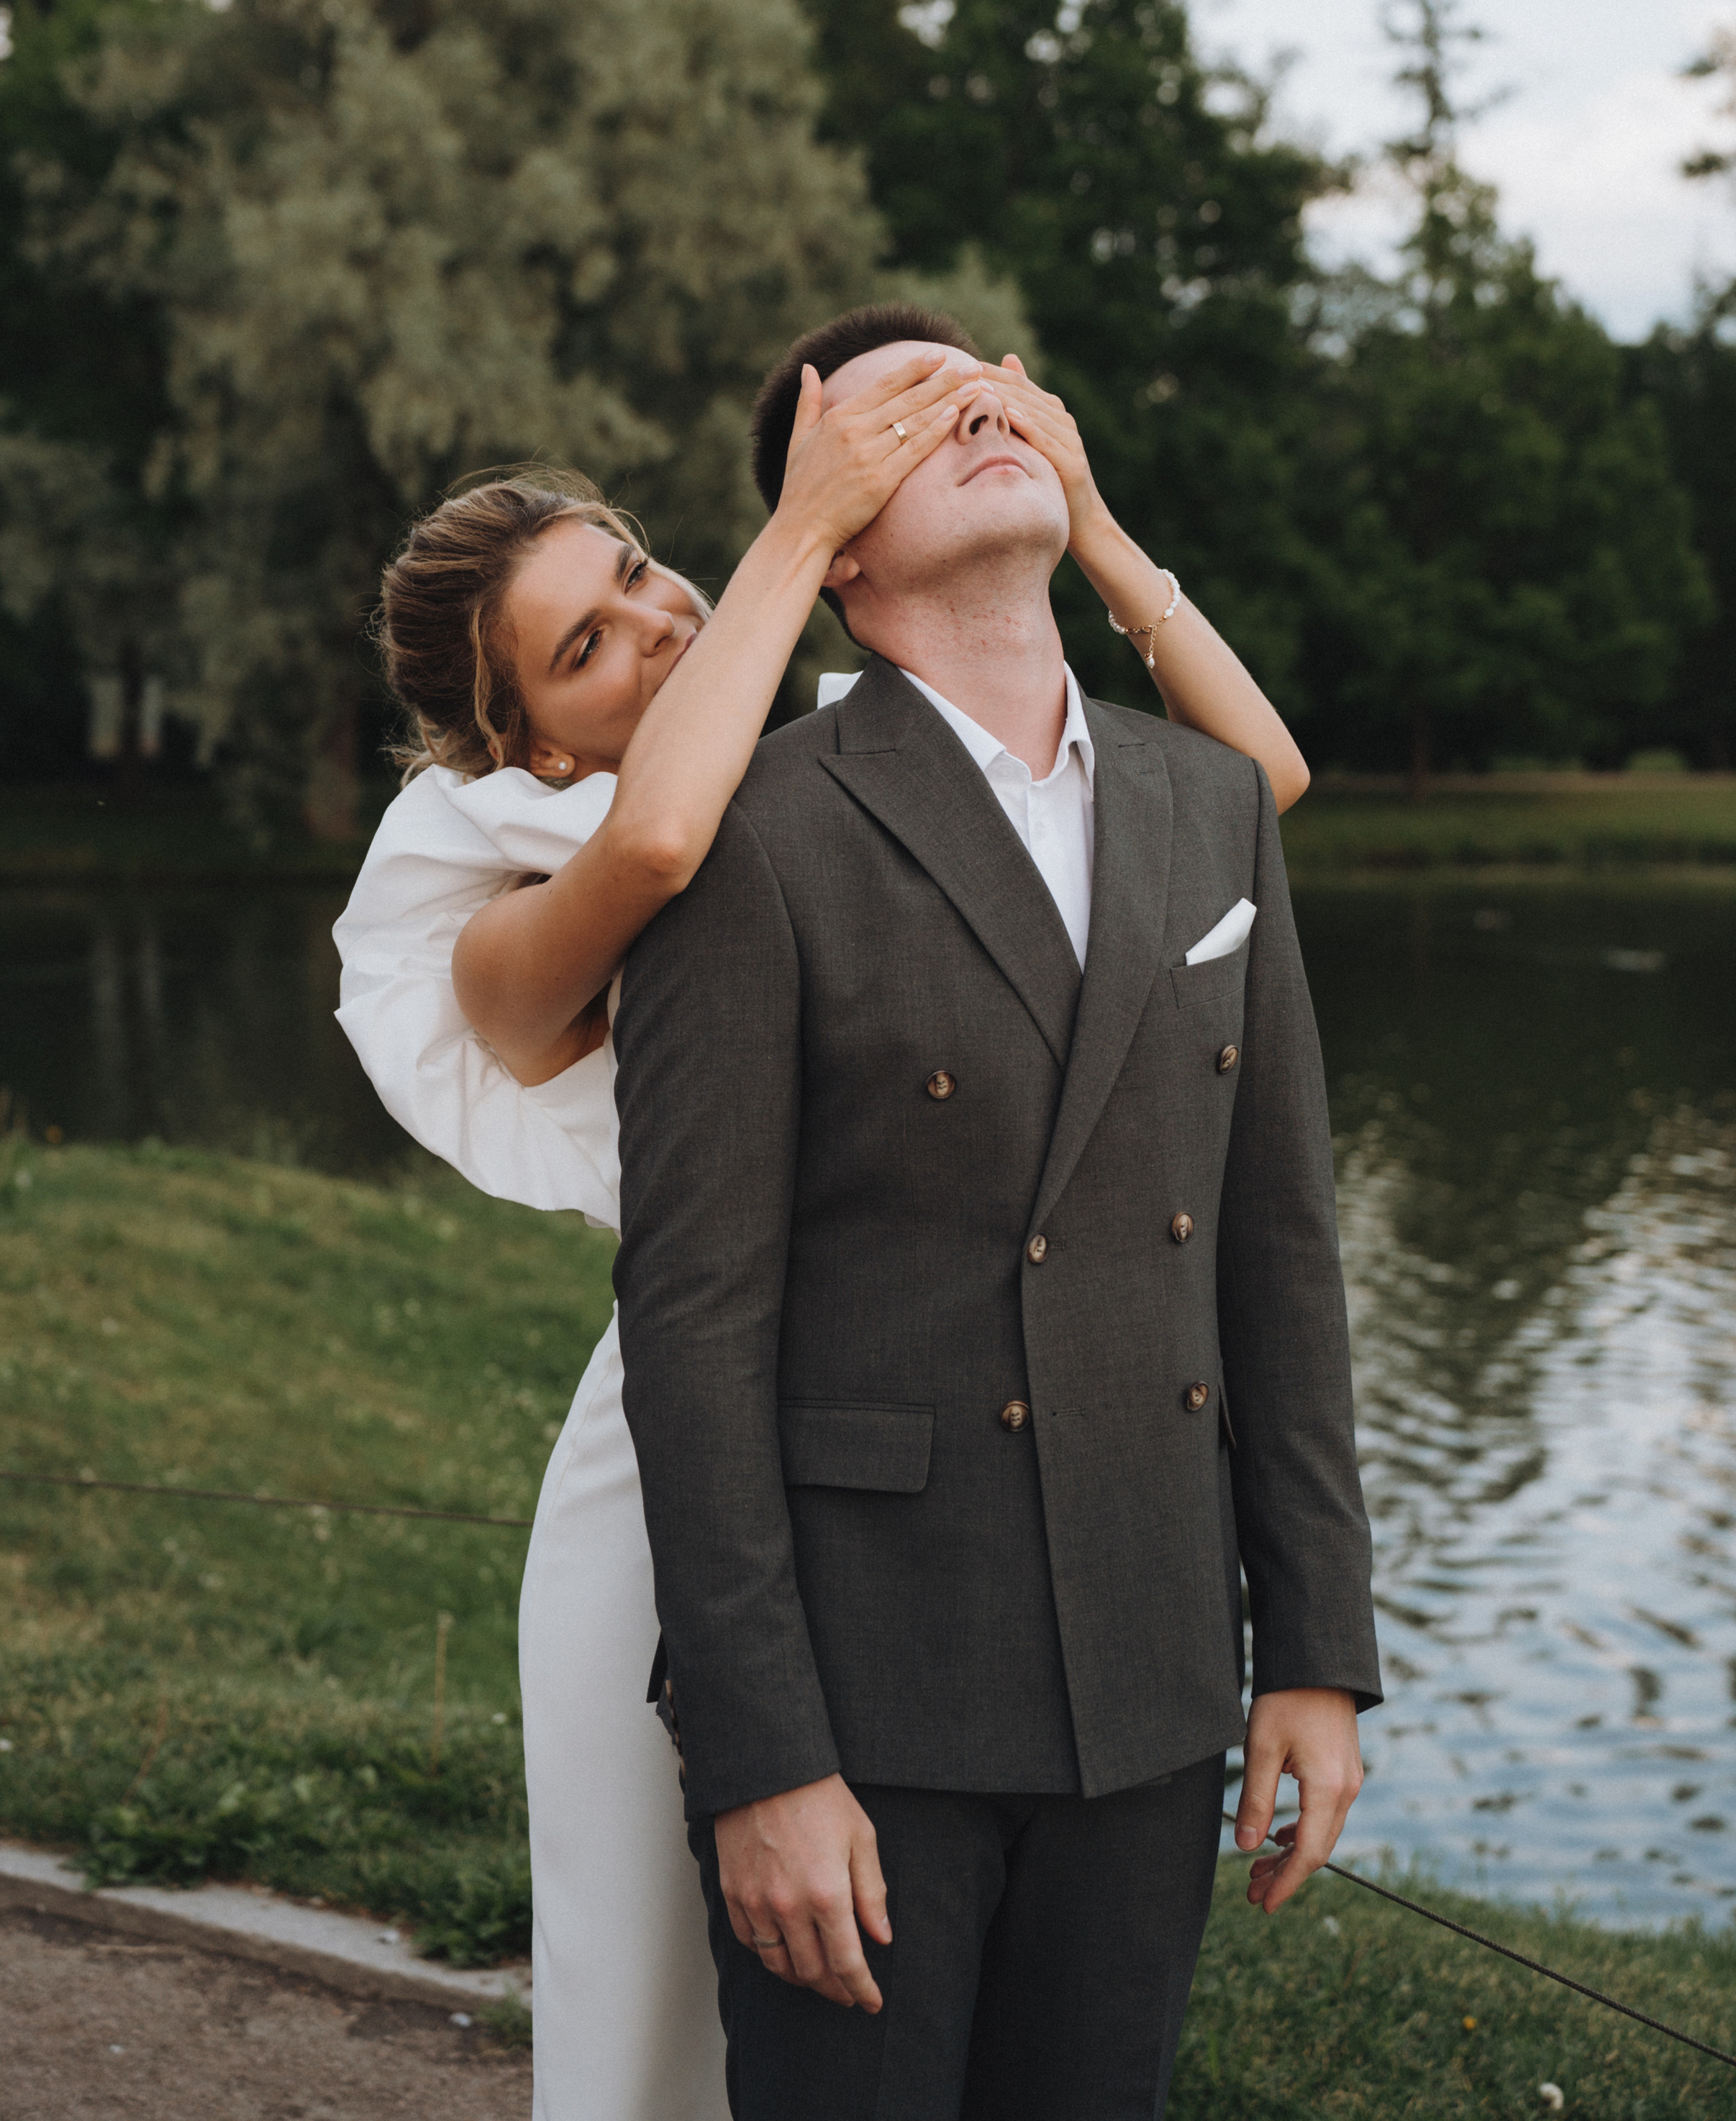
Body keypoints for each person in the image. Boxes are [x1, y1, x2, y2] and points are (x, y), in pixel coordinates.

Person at [332, 306, 1318, 2121]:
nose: (658, 624)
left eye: (641, 575)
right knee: (669, 2028)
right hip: (688, 1483)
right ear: (525, 745)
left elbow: (1244, 792)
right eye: (585, 645)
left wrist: (1086, 520)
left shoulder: (830, 762)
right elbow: (657, 843)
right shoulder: (538, 901)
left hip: (950, 1483)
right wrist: (809, 525)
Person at [611, 306, 1381, 2118]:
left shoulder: (1212, 802)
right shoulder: (750, 828)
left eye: (995, 391)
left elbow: (1279, 1251)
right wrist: (762, 1759)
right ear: (838, 545)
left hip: (1154, 1668)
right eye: (903, 417)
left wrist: (1315, 1653)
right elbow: (694, 1320)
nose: (974, 414)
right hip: (869, 1702)